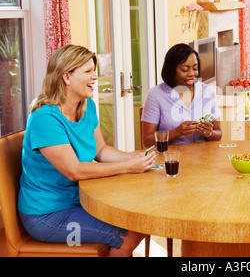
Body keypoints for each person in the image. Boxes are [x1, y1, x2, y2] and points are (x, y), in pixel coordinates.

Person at [18, 45, 156, 257]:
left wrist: (138, 157)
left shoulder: (86, 107)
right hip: (46, 215)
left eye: (95, 71)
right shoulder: (45, 119)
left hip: (80, 201)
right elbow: (74, 170)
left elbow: (101, 150)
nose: (95, 77)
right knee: (128, 233)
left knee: (139, 217)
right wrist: (128, 167)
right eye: (88, 72)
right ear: (66, 77)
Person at [142, 43, 222, 147]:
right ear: (171, 69)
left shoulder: (207, 92)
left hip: (203, 157)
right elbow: (147, 141)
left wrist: (209, 133)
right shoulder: (155, 94)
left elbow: (218, 134)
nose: (192, 74)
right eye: (185, 69)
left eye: (195, 68)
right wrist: (177, 132)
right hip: (171, 158)